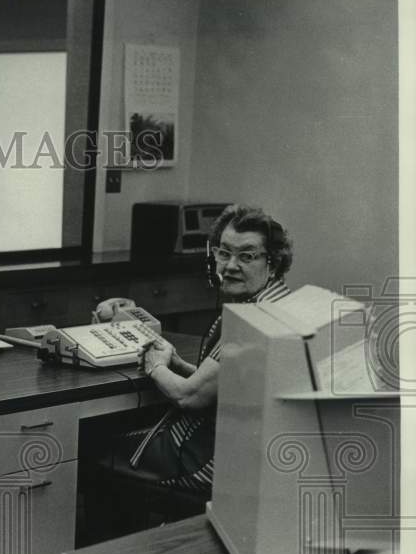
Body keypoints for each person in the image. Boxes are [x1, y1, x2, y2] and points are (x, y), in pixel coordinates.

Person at [105, 204, 293, 494]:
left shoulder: (251, 322)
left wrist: (155, 366)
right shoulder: (280, 305)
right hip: (258, 461)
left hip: (212, 462)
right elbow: (230, 385)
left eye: (247, 256)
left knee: (94, 444)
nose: (230, 266)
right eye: (223, 252)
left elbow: (188, 396)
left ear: (274, 263)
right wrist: (178, 364)